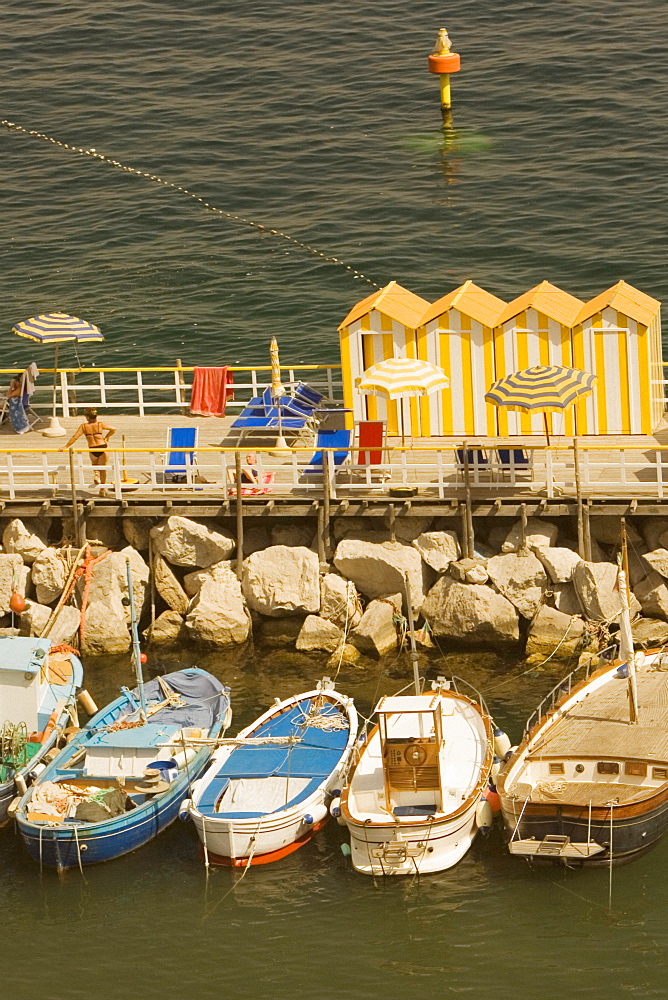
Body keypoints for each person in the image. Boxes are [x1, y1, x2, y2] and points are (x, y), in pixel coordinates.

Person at [60, 407, 116, 486]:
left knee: (94, 464)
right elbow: (113, 429)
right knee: (103, 469)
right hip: (102, 446)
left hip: (92, 448)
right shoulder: (100, 424)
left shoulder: (84, 426)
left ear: (87, 417)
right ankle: (102, 489)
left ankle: (96, 474)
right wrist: (107, 436)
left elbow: (75, 437)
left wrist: (66, 446)